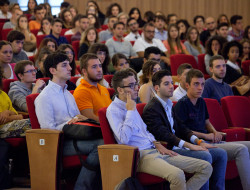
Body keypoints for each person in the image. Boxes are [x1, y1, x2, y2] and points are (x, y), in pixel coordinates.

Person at [107, 69, 212, 190]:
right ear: (120, 90)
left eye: (136, 84)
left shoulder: (131, 104)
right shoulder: (114, 110)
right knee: (178, 175)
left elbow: (145, 131)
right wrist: (130, 111)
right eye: (131, 85)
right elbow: (123, 139)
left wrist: (156, 143)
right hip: (139, 156)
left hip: (154, 149)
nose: (136, 88)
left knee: (205, 167)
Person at [143, 70, 227, 190]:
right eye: (166, 84)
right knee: (205, 155)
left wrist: (198, 141)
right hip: (168, 149)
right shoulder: (151, 108)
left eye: (172, 83)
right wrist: (190, 145)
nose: (172, 86)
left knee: (220, 153)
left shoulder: (168, 104)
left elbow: (182, 127)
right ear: (157, 87)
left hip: (179, 146)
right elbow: (163, 134)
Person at [35, 51, 103, 190]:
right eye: (65, 65)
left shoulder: (68, 93)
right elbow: (47, 130)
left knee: (107, 140)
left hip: (75, 136)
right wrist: (67, 124)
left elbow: (78, 117)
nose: (70, 68)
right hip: (59, 143)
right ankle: (81, 187)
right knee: (100, 145)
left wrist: (78, 119)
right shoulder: (44, 97)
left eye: (69, 65)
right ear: (53, 70)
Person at [174, 69, 250, 190]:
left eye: (202, 84)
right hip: (195, 143)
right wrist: (205, 136)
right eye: (196, 84)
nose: (200, 88)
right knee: (240, 149)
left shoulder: (202, 101)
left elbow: (207, 123)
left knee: (248, 145)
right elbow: (181, 131)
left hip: (209, 140)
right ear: (187, 85)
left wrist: (214, 132)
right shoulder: (182, 104)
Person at [73, 53, 112, 122]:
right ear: (84, 71)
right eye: (94, 67)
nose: (99, 69)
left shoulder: (103, 89)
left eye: (100, 66)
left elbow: (112, 111)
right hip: (98, 130)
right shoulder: (82, 91)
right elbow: (90, 120)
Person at [0, 65, 31, 139]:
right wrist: (9, 117)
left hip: (10, 125)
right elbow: (2, 120)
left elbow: (18, 115)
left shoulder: (2, 94)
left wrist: (7, 112)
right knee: (34, 124)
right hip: (2, 129)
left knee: (38, 123)